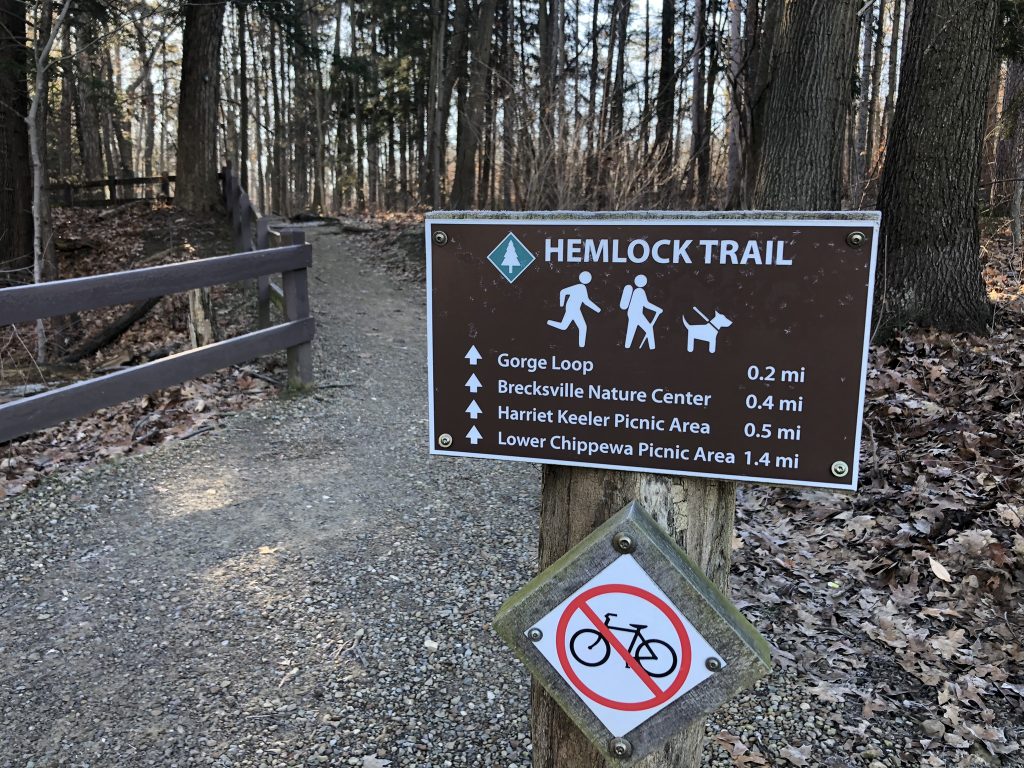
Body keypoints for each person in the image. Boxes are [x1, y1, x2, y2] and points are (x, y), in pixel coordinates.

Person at [548, 271, 601, 348]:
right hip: (573, 309)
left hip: (572, 309)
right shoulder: (580, 287)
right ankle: (582, 347)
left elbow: (564, 292)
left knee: (564, 326)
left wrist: (597, 309)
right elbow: (585, 301)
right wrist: (561, 304)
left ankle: (549, 322)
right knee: (583, 327)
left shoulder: (580, 287)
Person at [622, 275, 662, 350]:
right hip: (637, 314)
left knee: (631, 331)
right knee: (649, 329)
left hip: (631, 314)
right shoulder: (640, 291)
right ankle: (652, 348)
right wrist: (657, 309)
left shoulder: (635, 290)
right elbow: (646, 304)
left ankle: (626, 347)